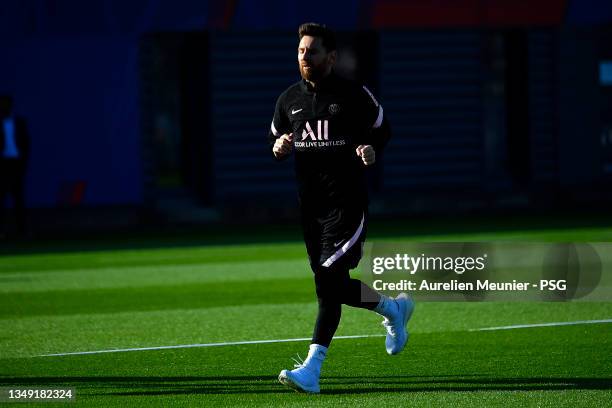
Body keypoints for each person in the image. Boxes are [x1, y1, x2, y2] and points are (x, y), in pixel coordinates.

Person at [268, 23, 415, 394]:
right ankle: (391, 308)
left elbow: (383, 129)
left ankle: (312, 369)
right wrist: (279, 148)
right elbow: (278, 138)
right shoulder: (288, 100)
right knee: (329, 286)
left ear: (331, 57)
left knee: (329, 283)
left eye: (313, 51)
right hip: (310, 210)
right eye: (301, 51)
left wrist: (370, 149)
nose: (305, 57)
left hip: (346, 205)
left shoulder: (352, 95)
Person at [0, 95, 29, 238]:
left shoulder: (19, 122)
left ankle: (21, 230)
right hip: (3, 165)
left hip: (16, 164)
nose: (5, 107)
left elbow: (26, 143)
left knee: (19, 199)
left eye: (7, 104)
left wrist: (23, 162)